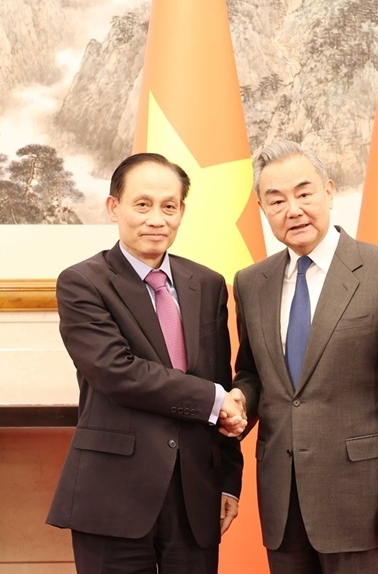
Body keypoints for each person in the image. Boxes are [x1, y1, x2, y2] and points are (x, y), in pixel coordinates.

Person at [230, 141, 378, 574]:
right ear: (263, 209)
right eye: (276, 200)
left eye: (304, 193)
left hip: (361, 500)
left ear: (329, 191)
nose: (293, 210)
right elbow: (253, 372)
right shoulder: (251, 283)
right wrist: (240, 399)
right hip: (282, 500)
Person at [46, 152, 247, 574]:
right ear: (113, 207)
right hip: (113, 495)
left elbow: (220, 382)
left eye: (168, 206)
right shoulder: (83, 282)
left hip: (195, 497)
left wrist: (229, 480)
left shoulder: (208, 284)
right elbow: (117, 372)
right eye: (142, 204)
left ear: (181, 212)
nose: (157, 219)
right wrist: (214, 399)